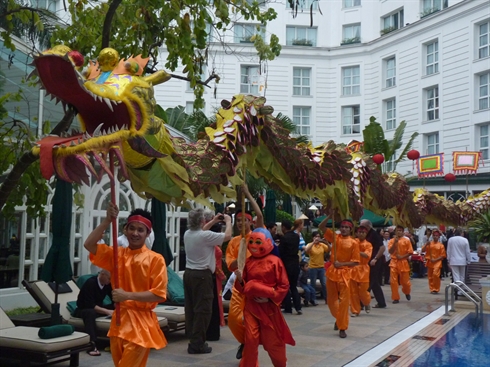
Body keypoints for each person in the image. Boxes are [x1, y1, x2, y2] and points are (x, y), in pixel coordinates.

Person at [84, 203, 167, 367]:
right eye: (132, 228)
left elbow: (159, 294)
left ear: (148, 233)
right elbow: (89, 244)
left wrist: (127, 295)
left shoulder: (155, 259)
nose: (135, 233)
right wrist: (107, 220)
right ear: (125, 230)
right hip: (119, 320)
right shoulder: (117, 254)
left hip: (141, 323)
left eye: (140, 230)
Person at [234, 230, 295, 367]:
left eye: (258, 242)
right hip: (251, 307)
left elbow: (284, 285)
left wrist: (269, 298)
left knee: (272, 342)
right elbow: (242, 287)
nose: (254, 245)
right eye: (251, 242)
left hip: (269, 309)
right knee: (250, 339)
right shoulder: (248, 262)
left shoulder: (275, 262)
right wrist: (240, 279)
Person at [183, 208, 232, 354]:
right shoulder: (205, 236)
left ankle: (193, 338)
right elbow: (228, 235)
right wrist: (228, 221)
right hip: (202, 276)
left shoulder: (188, 234)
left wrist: (214, 221)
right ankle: (197, 344)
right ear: (202, 221)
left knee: (191, 308)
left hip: (189, 274)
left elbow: (202, 230)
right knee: (203, 310)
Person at [225, 182, 264, 359]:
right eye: (239, 220)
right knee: (233, 320)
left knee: (251, 320)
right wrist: (240, 255)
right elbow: (230, 266)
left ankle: (249, 344)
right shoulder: (234, 241)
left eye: (245, 220)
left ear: (251, 222)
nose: (241, 222)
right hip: (239, 285)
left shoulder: (257, 237)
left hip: (256, 285)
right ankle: (244, 341)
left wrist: (248, 193)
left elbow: (260, 215)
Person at [319, 215, 360, 338]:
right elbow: (321, 227)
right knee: (331, 301)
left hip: (345, 274)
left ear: (350, 229)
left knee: (344, 302)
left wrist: (342, 264)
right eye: (342, 227)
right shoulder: (335, 237)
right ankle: (339, 319)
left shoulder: (354, 242)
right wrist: (329, 216)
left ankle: (342, 327)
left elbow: (356, 261)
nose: (344, 229)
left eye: (346, 227)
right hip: (332, 272)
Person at [75, 269, 114, 356]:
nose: (110, 281)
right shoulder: (91, 283)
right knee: (90, 312)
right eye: (109, 278)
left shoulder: (107, 284)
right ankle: (91, 345)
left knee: (115, 306)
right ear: (102, 274)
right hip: (84, 309)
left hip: (97, 308)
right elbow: (90, 304)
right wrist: (107, 312)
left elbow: (113, 298)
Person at [203, 209, 228, 342]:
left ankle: (212, 331)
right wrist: (222, 275)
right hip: (213, 276)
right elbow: (217, 265)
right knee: (213, 304)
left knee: (214, 303)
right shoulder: (212, 246)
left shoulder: (211, 245)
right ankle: (212, 332)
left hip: (213, 276)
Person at [360, 219, 387, 309]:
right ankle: (381, 302)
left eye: (363, 226)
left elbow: (382, 248)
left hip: (374, 261)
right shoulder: (365, 234)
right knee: (374, 283)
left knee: (369, 282)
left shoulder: (374, 234)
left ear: (368, 226)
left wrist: (375, 258)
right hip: (367, 261)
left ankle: (361, 303)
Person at [279, 220, 303, 315]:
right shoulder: (296, 236)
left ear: (284, 227)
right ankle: (298, 307)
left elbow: (281, 251)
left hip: (287, 264)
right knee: (293, 286)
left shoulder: (284, 238)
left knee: (286, 286)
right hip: (295, 263)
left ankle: (288, 307)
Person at [350, 226, 373, 316]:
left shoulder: (368, 244)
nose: (361, 234)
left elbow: (367, 255)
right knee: (353, 292)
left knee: (363, 291)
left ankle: (366, 303)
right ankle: (355, 310)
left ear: (366, 234)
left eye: (363, 232)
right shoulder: (353, 241)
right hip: (353, 268)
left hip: (363, 269)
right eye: (359, 232)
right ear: (356, 233)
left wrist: (357, 251)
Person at [388, 225, 412, 304]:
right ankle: (395, 297)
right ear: (395, 232)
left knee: (405, 282)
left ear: (403, 232)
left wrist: (402, 256)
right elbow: (390, 251)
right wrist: (394, 243)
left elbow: (410, 252)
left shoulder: (406, 240)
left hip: (403, 262)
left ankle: (407, 291)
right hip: (394, 262)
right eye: (397, 230)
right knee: (393, 281)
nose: (399, 232)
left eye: (400, 230)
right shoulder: (391, 240)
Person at [304, 231, 330, 301]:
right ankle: (313, 299)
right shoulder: (310, 244)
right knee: (313, 284)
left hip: (321, 267)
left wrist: (326, 242)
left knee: (324, 283)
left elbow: (329, 249)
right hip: (313, 267)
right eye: (316, 236)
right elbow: (306, 250)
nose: (317, 238)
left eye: (318, 236)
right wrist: (313, 242)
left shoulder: (321, 245)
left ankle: (327, 299)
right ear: (313, 237)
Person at [422, 229, 446, 294]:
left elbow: (442, 255)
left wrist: (435, 260)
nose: (435, 237)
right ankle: (432, 289)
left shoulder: (441, 245)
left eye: (437, 235)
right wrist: (426, 244)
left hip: (437, 262)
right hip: (430, 261)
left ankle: (436, 288)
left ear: (439, 237)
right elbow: (423, 250)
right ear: (432, 236)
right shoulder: (429, 244)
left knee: (435, 275)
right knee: (430, 276)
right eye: (434, 235)